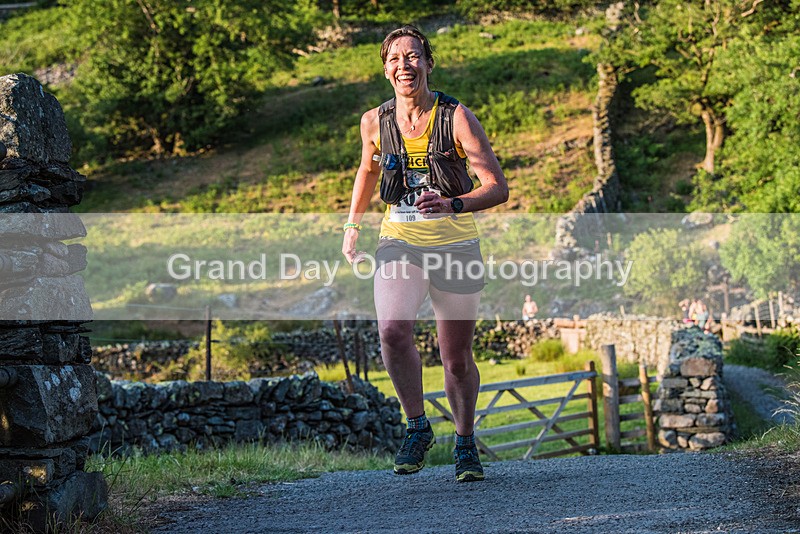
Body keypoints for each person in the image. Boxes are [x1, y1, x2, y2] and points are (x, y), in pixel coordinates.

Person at [341, 25, 508, 483]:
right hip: (400, 238)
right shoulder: (374, 121)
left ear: (428, 64)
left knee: (455, 359)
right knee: (392, 330)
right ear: (385, 69)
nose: (404, 66)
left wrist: (454, 202)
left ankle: (465, 440)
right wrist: (352, 227)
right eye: (394, 59)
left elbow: (498, 188)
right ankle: (417, 426)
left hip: (456, 243)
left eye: (413, 57)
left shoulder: (456, 118)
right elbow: (367, 171)